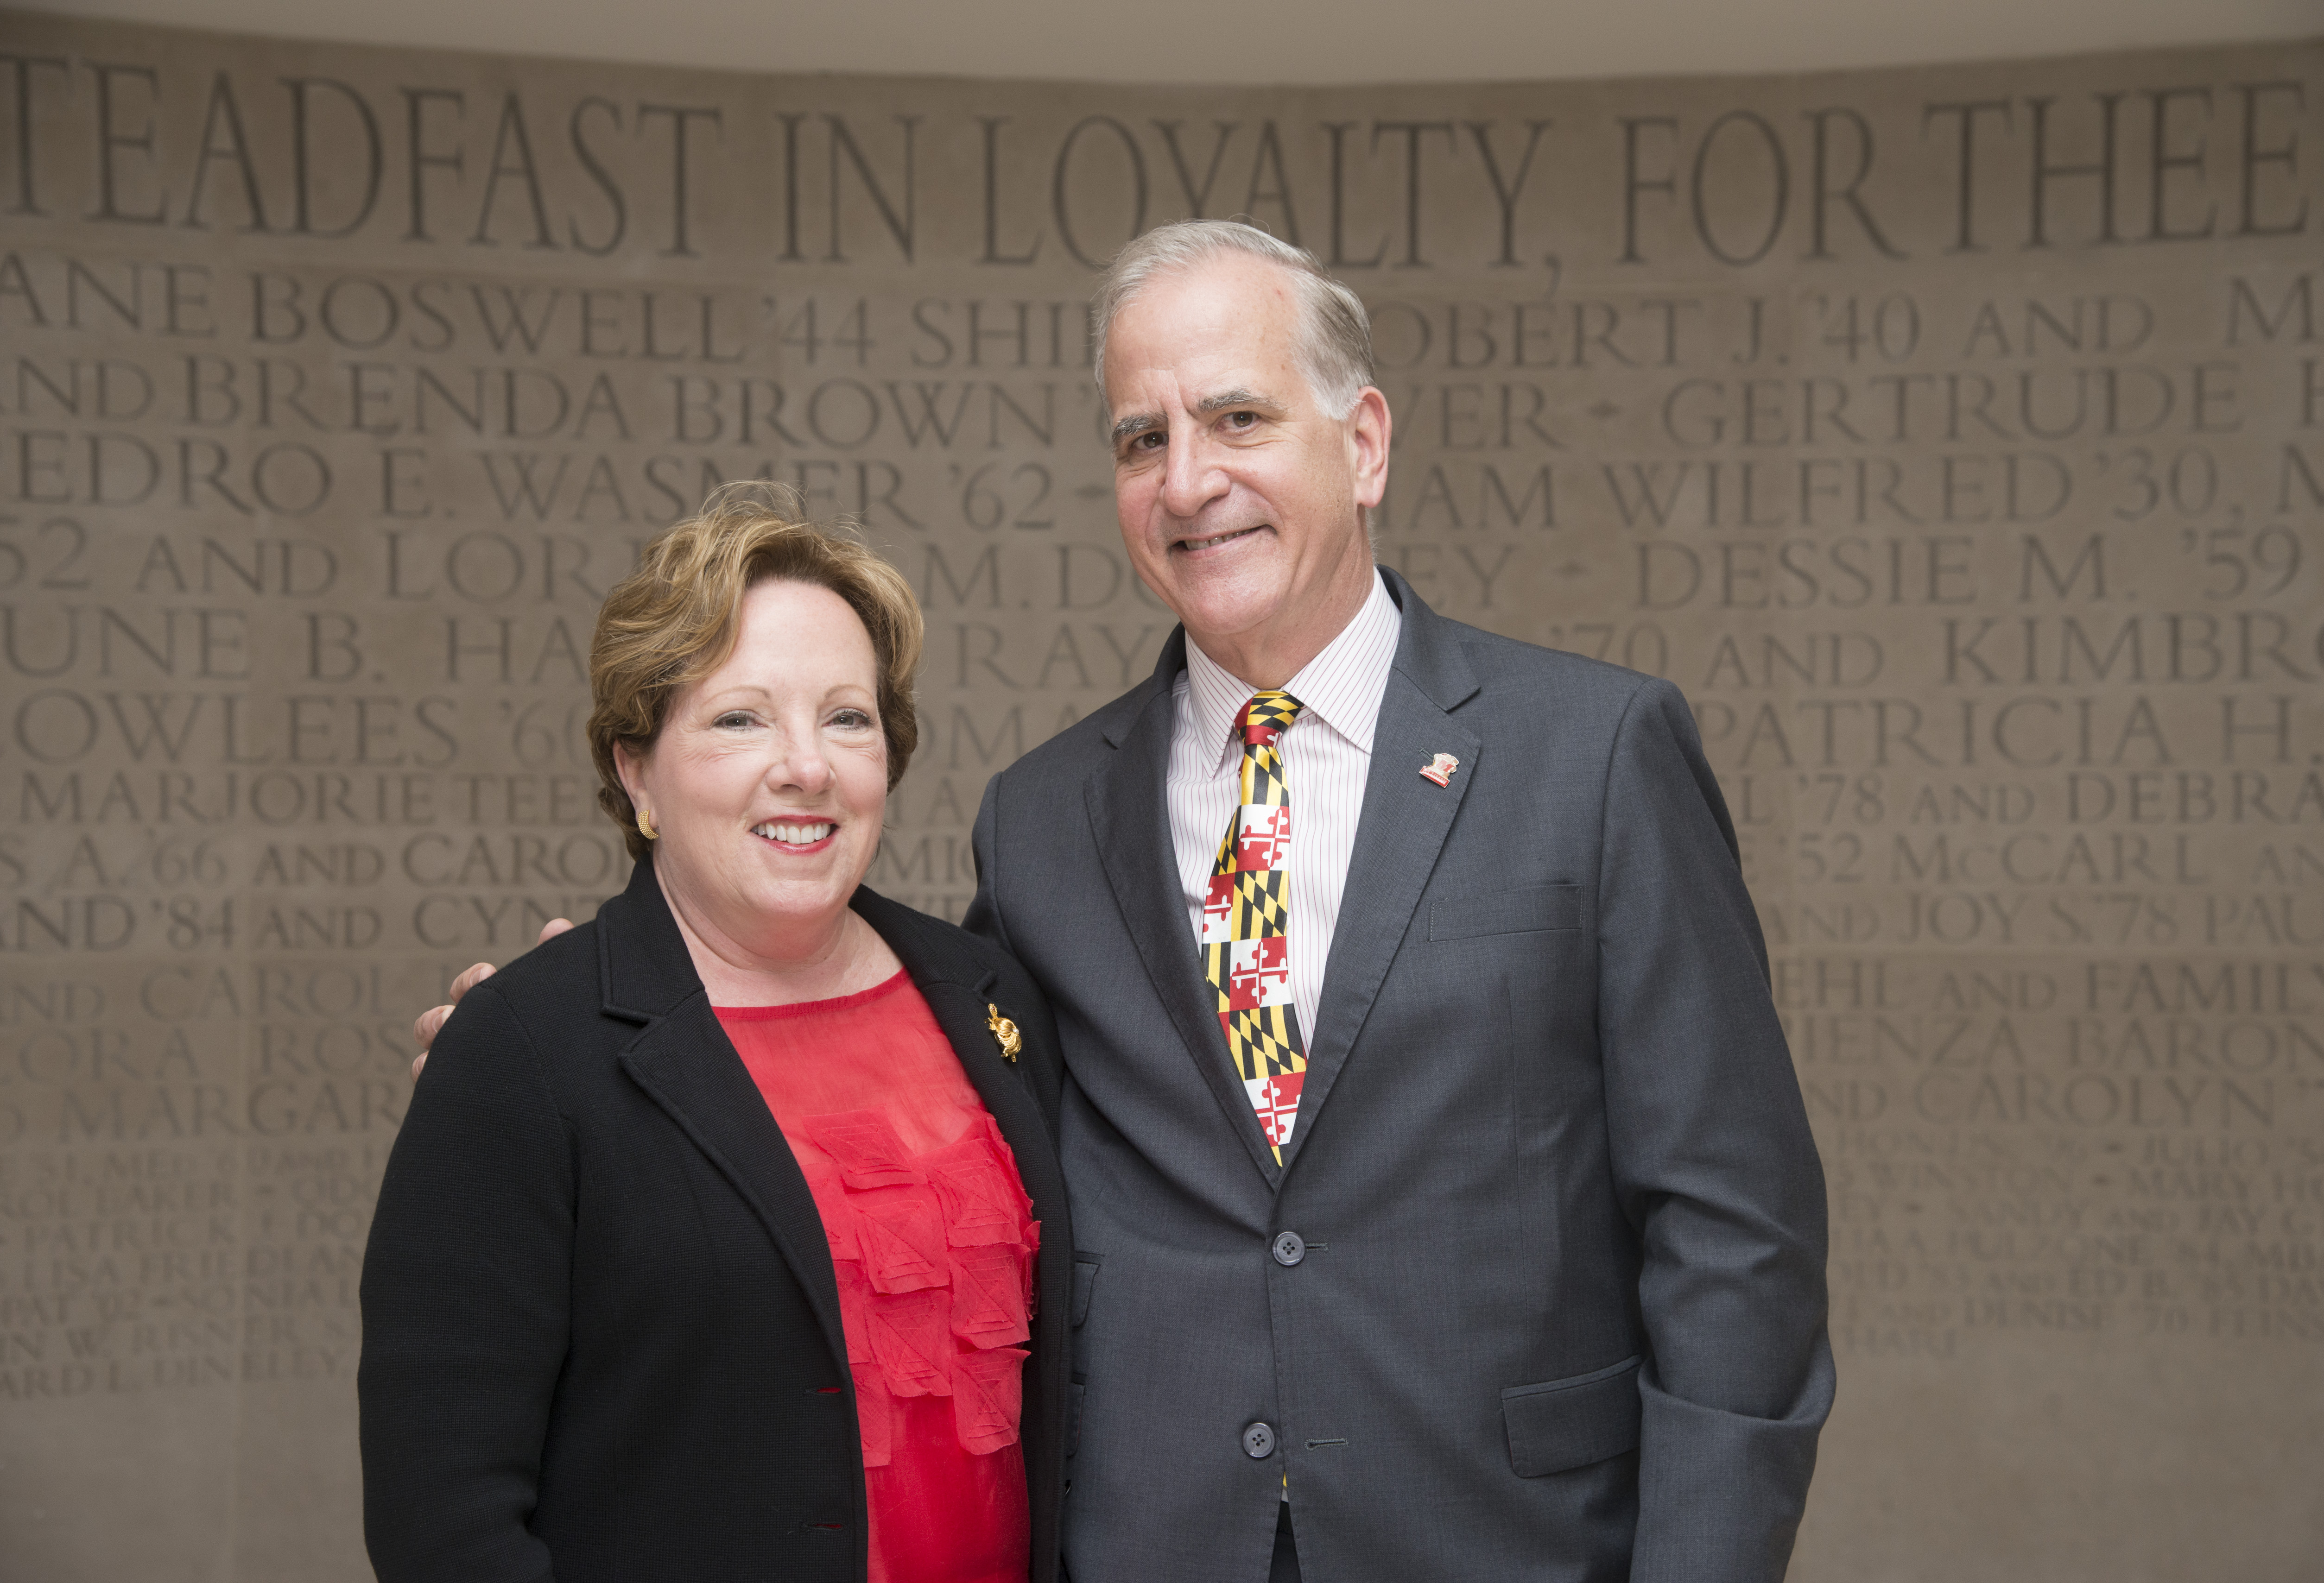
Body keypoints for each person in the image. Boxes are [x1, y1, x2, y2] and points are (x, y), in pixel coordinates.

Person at [421, 222, 1831, 1582]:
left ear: (1366, 442)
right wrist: (584, 1056)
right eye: (1140, 439)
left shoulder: (1595, 755)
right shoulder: (1041, 819)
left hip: (1504, 1540)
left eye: (1236, 419)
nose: (1186, 479)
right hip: (1153, 1541)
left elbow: (1736, 1235)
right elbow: (912, 1116)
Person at [361, 486, 1072, 1583]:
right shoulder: (523, 1048)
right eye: (740, 717)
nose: (807, 765)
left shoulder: (989, 994)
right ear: (635, 768)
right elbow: (442, 1520)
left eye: (847, 715)